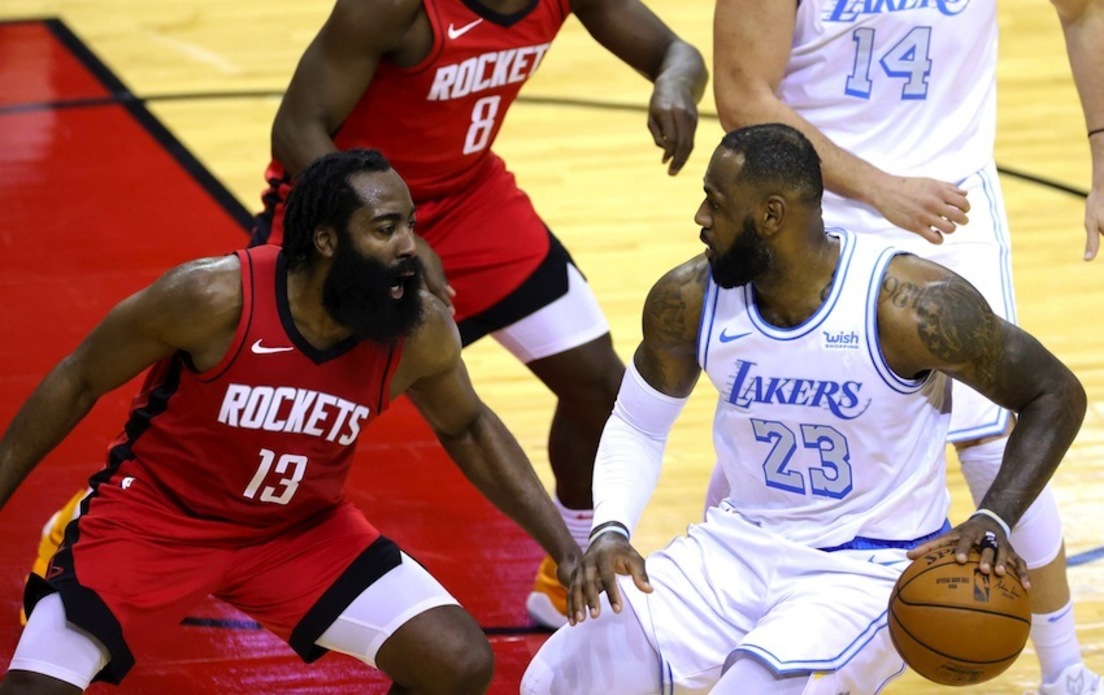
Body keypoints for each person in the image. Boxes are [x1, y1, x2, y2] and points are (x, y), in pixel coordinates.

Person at [520, 125, 1087, 694]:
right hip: (736, 547)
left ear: (771, 215)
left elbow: (1054, 393)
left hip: (863, 570)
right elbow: (638, 424)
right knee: (557, 677)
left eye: (716, 202)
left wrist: (994, 516)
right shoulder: (687, 298)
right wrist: (611, 528)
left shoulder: (909, 306)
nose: (700, 217)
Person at [0, 149, 580, 694]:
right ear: (326, 240)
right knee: (35, 688)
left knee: (458, 662)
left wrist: (566, 547)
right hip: (158, 519)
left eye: (410, 225)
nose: (410, 246)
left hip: (298, 530)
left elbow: (469, 427)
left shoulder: (415, 328)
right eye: (385, 229)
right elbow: (78, 379)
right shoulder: (213, 297)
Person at [253, 0, 707, 630]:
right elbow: (297, 127)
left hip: (470, 202)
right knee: (260, 410)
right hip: (350, 217)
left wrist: (675, 83)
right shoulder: (397, 9)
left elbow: (677, 51)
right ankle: (146, 518)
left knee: (600, 385)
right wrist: (396, 233)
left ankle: (568, 577)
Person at [711, 2, 1104, 692]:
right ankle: (723, 619)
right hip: (813, 206)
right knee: (770, 419)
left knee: (989, 443)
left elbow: (1084, 13)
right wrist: (881, 189)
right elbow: (743, 94)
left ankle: (1065, 666)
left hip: (951, 204)